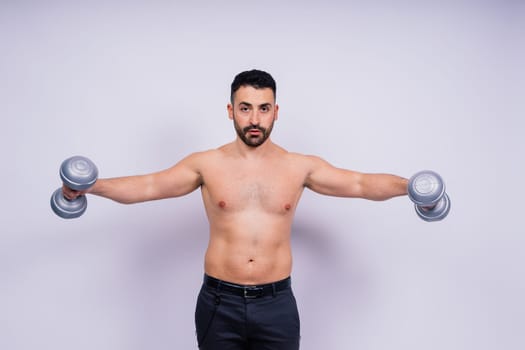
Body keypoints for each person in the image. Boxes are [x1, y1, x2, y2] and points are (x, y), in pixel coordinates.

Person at [63, 69, 409, 349]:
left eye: (263, 108)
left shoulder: (299, 166)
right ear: (231, 111)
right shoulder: (207, 164)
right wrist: (92, 186)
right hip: (219, 302)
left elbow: (361, 184)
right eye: (245, 108)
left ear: (275, 111)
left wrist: (410, 188)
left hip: (277, 303)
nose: (254, 118)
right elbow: (150, 185)